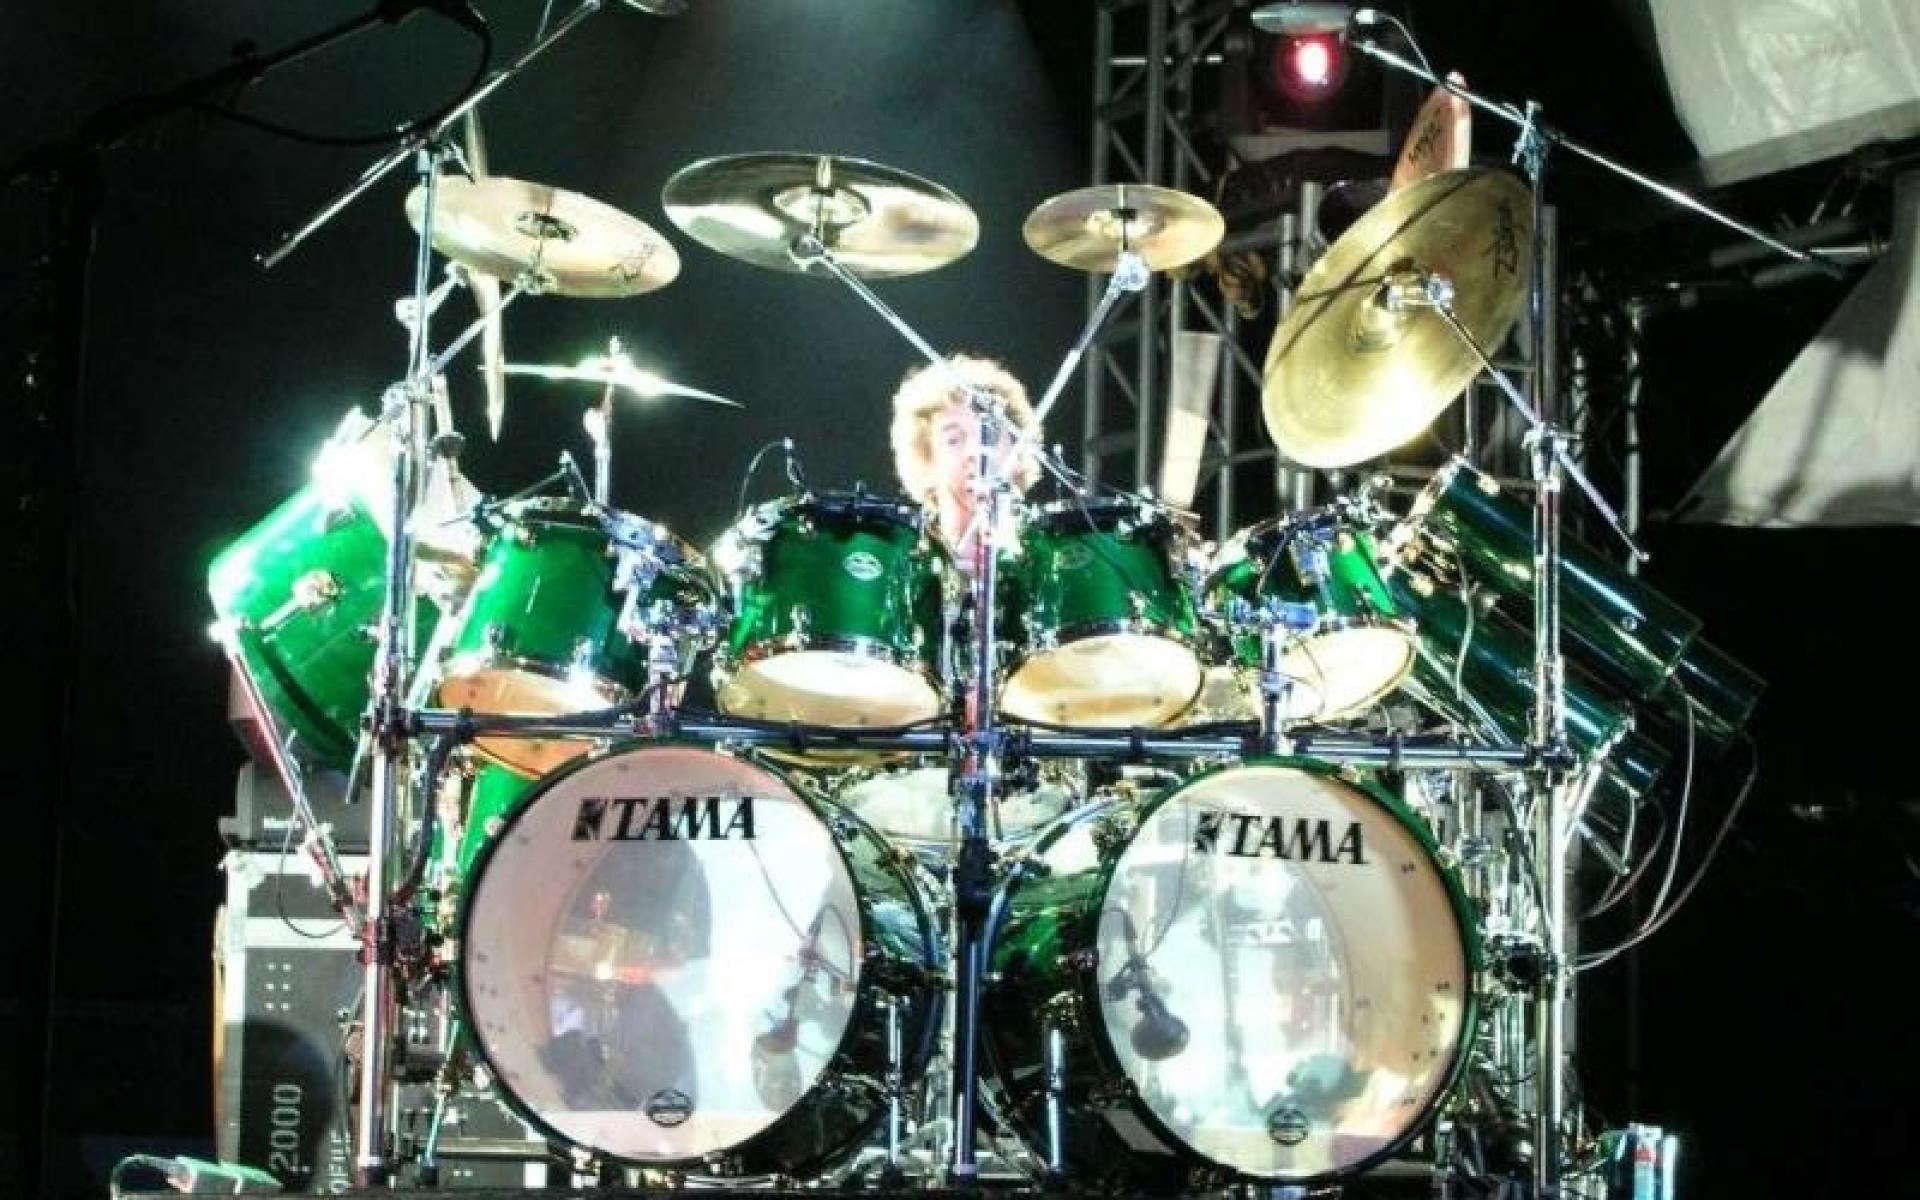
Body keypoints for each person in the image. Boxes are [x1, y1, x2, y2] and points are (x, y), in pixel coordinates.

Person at [887, 353, 1043, 566]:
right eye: (953, 440)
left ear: (1017, 451)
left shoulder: (1050, 566)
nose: (975, 452)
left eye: (990, 435)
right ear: (926, 460)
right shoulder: (903, 566)